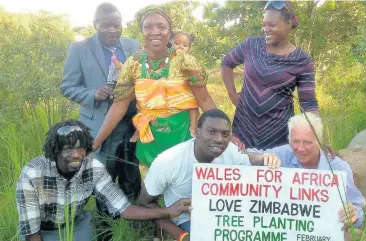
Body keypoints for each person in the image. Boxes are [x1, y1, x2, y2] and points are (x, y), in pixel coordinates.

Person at [15, 119, 192, 241]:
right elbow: (33, 232)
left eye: (81, 148)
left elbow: (125, 210)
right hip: (41, 231)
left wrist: (169, 211)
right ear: (55, 150)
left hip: (75, 225)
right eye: (68, 149)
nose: (76, 155)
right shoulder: (32, 175)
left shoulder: (93, 168)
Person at [93, 7, 216, 168]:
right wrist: (95, 143)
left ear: (169, 32)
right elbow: (119, 105)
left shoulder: (185, 61)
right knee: (154, 185)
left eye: (162, 27)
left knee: (181, 185)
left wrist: (225, 133)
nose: (155, 32)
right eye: (148, 27)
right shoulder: (133, 63)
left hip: (183, 135)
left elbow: (205, 100)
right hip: (150, 138)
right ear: (142, 31)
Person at [60, 3, 141, 240]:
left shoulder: (134, 46)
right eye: (105, 25)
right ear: (95, 25)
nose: (111, 30)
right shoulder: (80, 48)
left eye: (116, 25)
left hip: (132, 124)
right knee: (103, 177)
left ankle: (132, 224)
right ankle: (106, 228)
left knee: (131, 174)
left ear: (122, 24)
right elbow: (67, 86)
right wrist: (93, 94)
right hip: (98, 128)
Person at [138, 109, 281, 240]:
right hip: (189, 219)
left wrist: (264, 159)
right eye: (212, 132)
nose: (219, 139)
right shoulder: (168, 162)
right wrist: (182, 236)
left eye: (225, 134)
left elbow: (247, 161)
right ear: (196, 131)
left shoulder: (230, 151)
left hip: (226, 215)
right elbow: (145, 202)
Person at [221, 0, 318, 151]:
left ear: (289, 23)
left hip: (279, 136)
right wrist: (232, 94)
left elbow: (309, 103)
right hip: (243, 130)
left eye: (272, 25)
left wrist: (318, 137)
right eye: (264, 24)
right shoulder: (251, 45)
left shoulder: (301, 60)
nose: (266, 29)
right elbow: (227, 63)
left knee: (274, 169)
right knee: (243, 168)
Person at [248, 112, 366, 229]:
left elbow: (358, 207)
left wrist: (353, 213)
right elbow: (243, 156)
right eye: (295, 141)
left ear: (321, 141)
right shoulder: (284, 154)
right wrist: (260, 158)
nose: (300, 148)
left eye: (307, 142)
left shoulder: (339, 168)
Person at [170, 30, 200, 136]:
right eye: (176, 43)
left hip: (186, 89)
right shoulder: (166, 60)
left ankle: (193, 128)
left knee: (193, 104)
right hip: (171, 91)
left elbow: (196, 76)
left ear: (189, 48)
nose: (180, 47)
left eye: (185, 45)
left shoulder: (190, 61)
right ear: (170, 44)